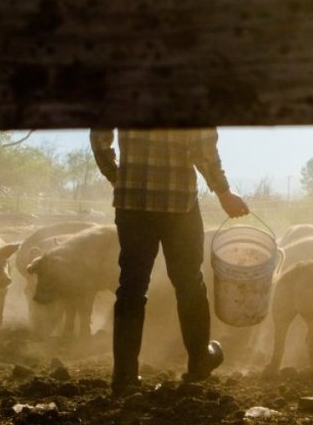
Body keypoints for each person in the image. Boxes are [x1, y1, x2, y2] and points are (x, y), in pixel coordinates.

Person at [90, 128, 249, 395]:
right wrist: (223, 192)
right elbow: (203, 147)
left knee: (131, 286)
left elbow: (99, 134)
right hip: (179, 204)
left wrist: (116, 174)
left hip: (132, 203)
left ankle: (124, 375)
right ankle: (199, 360)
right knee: (189, 282)